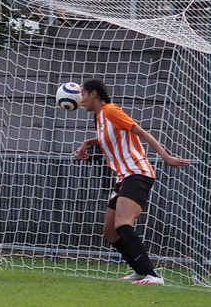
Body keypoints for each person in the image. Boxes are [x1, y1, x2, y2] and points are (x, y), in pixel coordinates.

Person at [74, 79, 190, 285]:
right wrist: (86, 144)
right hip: (122, 178)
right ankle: (139, 270)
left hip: (137, 173)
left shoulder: (110, 111)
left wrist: (165, 156)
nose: (80, 100)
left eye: (82, 95)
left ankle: (153, 275)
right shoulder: (99, 118)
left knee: (123, 223)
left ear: (93, 94)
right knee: (110, 231)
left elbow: (139, 131)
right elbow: (106, 139)